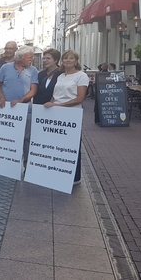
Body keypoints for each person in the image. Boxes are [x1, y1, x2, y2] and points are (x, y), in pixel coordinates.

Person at [44, 50, 89, 185]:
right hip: (57, 113)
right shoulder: (61, 76)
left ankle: (75, 177)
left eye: (71, 58)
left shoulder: (81, 76)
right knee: (57, 145)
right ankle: (59, 172)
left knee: (72, 146)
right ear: (62, 61)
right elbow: (55, 94)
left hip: (71, 114)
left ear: (76, 61)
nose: (68, 61)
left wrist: (59, 106)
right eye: (65, 59)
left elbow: (80, 98)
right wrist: (51, 104)